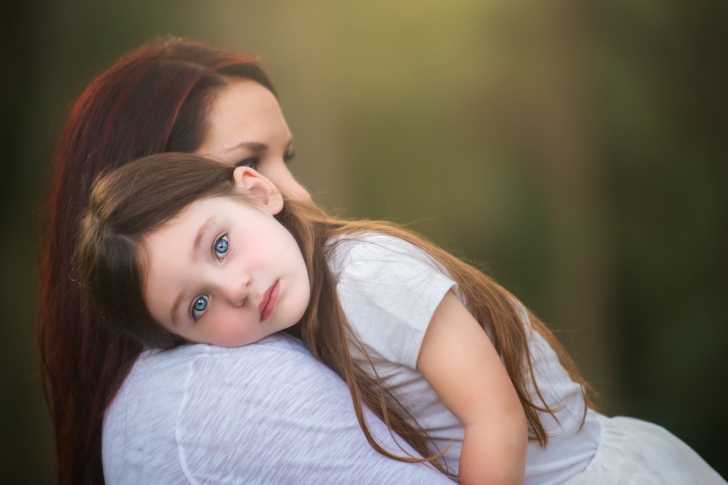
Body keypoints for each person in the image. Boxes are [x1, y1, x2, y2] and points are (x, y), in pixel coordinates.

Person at [77, 153, 727, 485]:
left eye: (219, 244)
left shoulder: (365, 276)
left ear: (258, 190)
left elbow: (494, 415)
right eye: (196, 306)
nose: (235, 287)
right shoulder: (302, 314)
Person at [38, 37, 452, 484]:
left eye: (283, 157)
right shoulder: (231, 384)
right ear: (152, 188)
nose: (299, 195)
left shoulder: (358, 284)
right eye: (251, 158)